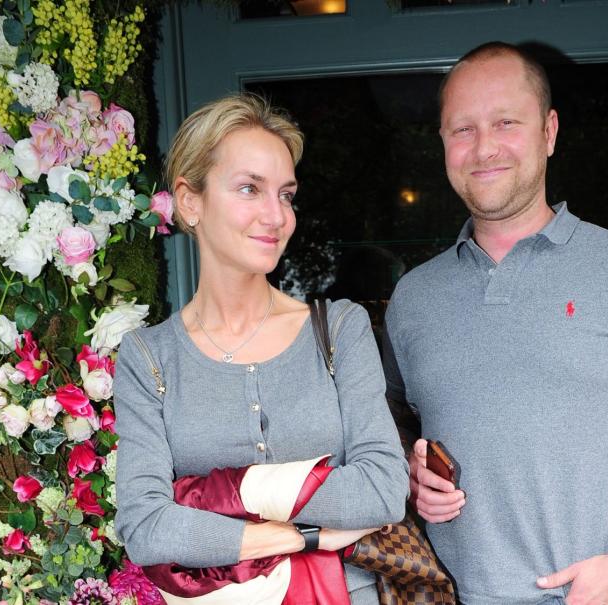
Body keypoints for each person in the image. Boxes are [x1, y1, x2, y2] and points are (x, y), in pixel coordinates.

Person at [382, 42, 608, 605]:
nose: (484, 147)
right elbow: (391, 425)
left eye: (505, 122)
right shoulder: (413, 297)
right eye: (462, 129)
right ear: (443, 144)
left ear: (548, 132)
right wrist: (410, 469)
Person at [113, 93, 410, 604]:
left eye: (287, 194)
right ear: (189, 201)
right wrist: (298, 537)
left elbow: (383, 489)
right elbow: (144, 526)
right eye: (250, 188)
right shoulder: (149, 356)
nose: (277, 216)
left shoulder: (338, 329)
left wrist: (203, 503)